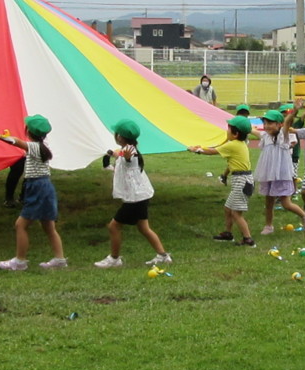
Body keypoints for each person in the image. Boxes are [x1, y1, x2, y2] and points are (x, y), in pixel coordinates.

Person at [0, 115, 67, 270]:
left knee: (21, 225)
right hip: (45, 187)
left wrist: (0, 137)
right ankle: (59, 259)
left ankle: (20, 261)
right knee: (49, 227)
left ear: (28, 131)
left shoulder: (34, 147)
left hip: (37, 188)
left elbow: (17, 142)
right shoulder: (43, 146)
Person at [94, 119, 171, 268]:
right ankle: (163, 256)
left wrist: (124, 156)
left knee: (113, 227)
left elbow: (127, 158)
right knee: (144, 228)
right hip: (141, 195)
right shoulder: (129, 149)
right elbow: (120, 154)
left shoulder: (130, 152)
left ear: (119, 137)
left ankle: (114, 259)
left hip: (135, 198)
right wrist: (112, 153)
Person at [188, 115, 255, 247]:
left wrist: (196, 150)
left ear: (235, 134)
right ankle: (228, 234)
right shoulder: (239, 144)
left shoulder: (233, 145)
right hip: (242, 180)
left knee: (236, 213)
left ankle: (248, 239)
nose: (226, 131)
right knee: (228, 208)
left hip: (241, 181)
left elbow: (213, 151)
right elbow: (218, 148)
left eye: (228, 129)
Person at [253, 108, 305, 234]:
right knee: (269, 201)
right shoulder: (265, 136)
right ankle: (268, 226)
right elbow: (250, 129)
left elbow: (287, 122)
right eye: (265, 123)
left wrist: (294, 111)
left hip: (282, 174)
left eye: (270, 123)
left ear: (279, 124)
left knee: (286, 203)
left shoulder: (283, 136)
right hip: (268, 174)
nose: (266, 126)